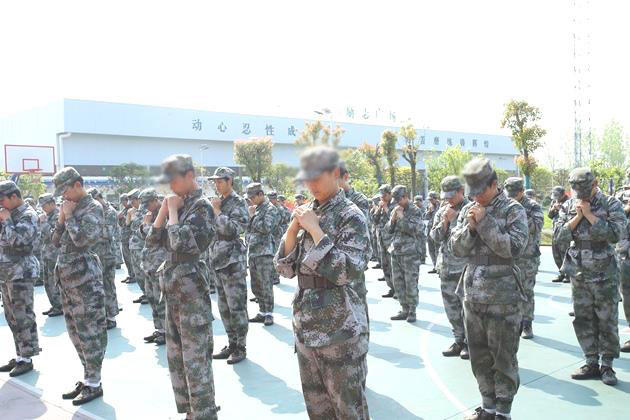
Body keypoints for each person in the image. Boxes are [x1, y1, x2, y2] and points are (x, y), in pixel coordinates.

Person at [275, 146, 370, 419]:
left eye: (317, 176)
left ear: (335, 173)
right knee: (318, 409)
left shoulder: (350, 215)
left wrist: (316, 230)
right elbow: (285, 269)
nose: (311, 183)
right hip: (306, 325)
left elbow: (346, 272)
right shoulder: (306, 212)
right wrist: (293, 230)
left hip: (339, 329)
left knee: (348, 409)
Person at [450, 158, 528, 420]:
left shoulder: (513, 209)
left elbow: (513, 248)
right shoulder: (468, 209)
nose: (475, 197)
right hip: (472, 295)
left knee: (503, 358)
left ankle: (503, 412)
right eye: (471, 192)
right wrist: (471, 229)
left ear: (494, 184)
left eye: (480, 191)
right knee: (479, 356)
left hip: (503, 297)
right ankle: (488, 407)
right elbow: (455, 248)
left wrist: (484, 223)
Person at [147, 154, 219, 420]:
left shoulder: (202, 208)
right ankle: (190, 412)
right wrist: (164, 212)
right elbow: (151, 242)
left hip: (192, 294)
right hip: (172, 292)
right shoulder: (176, 203)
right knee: (176, 359)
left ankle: (204, 414)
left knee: (196, 360)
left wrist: (173, 212)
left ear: (189, 175)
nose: (169, 186)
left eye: (173, 179)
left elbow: (182, 243)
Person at [554, 167, 624, 386]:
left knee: (607, 319)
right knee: (583, 318)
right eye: (577, 190)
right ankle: (591, 361)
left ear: (595, 184)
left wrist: (591, 216)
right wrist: (577, 217)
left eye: (585, 189)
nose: (581, 194)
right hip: (579, 271)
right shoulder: (569, 205)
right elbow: (558, 236)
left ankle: (607, 365)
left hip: (604, 272)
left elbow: (616, 234)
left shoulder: (611, 203)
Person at [51, 167, 107, 405]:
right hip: (67, 281)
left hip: (84, 281)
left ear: (77, 184)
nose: (63, 196)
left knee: (89, 332)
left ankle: (94, 382)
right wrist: (62, 219)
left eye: (65, 190)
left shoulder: (93, 208)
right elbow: (55, 241)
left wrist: (70, 216)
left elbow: (83, 241)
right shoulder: (68, 207)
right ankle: (88, 378)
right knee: (75, 333)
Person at [208, 167, 250, 365]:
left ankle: (241, 347)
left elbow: (233, 229)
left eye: (220, 181)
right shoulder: (218, 201)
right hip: (217, 261)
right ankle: (231, 343)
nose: (217, 185)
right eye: (215, 182)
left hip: (233, 262)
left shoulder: (238, 202)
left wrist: (217, 211)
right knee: (224, 307)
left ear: (229, 181)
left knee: (237, 307)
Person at [0, 181, 41, 377]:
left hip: (21, 273)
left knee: (23, 316)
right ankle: (20, 355)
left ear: (14, 197)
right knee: (12, 317)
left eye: (2, 200)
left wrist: (7, 221)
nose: (1, 204)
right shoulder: (8, 214)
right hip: (7, 273)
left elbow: (19, 242)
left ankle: (27, 357)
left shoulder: (28, 215)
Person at [430, 176, 470, 359]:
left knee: (467, 309)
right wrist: (445, 221)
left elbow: (467, 239)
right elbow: (434, 237)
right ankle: (458, 340)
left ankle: (469, 343)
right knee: (451, 308)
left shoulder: (471, 209)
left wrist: (453, 221)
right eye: (445, 196)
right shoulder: (442, 211)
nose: (448, 200)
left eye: (451, 196)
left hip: (464, 268)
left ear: (461, 191)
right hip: (446, 267)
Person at [504, 177, 544, 339]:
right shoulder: (504, 204)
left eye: (515, 194)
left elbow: (536, 226)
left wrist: (517, 214)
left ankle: (527, 323)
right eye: (510, 194)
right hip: (508, 255)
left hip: (527, 257)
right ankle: (512, 322)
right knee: (508, 290)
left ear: (522, 191)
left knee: (526, 291)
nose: (512, 197)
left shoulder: (533, 206)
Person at [386, 185, 424, 323]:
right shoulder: (396, 209)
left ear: (405, 197)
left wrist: (401, 218)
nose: (397, 203)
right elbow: (388, 230)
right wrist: (393, 219)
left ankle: (412, 311)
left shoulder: (415, 211)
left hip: (410, 253)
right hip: (396, 251)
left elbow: (415, 230)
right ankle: (404, 309)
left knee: (410, 283)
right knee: (398, 283)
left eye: (399, 200)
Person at [245, 183, 280, 326]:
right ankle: (262, 311)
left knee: (266, 284)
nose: (250, 200)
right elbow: (248, 229)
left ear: (260, 194)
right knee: (256, 285)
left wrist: (252, 216)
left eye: (252, 197)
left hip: (265, 252)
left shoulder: (271, 209)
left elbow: (266, 228)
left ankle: (269, 313)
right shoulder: (256, 209)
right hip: (253, 251)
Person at [339, 160, 371, 312]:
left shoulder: (359, 200)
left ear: (345, 177)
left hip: (352, 259)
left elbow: (357, 228)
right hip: (333, 261)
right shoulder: (326, 200)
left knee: (357, 304)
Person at [138, 188, 168, 345]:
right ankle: (159, 329)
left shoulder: (164, 213)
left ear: (155, 200)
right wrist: (145, 226)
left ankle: (167, 331)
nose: (146, 208)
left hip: (160, 263)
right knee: (152, 297)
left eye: (147, 204)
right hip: (149, 263)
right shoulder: (151, 214)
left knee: (161, 299)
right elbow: (143, 236)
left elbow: (153, 236)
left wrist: (146, 225)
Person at [88, 188, 120, 329]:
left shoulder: (109, 212)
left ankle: (111, 316)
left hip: (106, 255)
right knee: (96, 286)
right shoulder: (96, 211)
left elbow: (107, 233)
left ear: (98, 198)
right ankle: (101, 315)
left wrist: (90, 231)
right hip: (95, 255)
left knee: (108, 286)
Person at [39, 193, 63, 317]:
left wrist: (43, 223)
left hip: (54, 254)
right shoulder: (47, 216)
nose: (43, 208)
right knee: (47, 282)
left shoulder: (58, 216)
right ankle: (55, 304)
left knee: (54, 281)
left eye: (44, 205)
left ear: (52, 203)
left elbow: (52, 234)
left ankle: (60, 306)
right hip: (47, 254)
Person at [373, 184, 396, 298]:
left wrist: (386, 209)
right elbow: (374, 220)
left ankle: (398, 289)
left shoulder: (395, 205)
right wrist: (378, 210)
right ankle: (391, 287)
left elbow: (394, 221)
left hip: (391, 241)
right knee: (385, 264)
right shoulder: (380, 205)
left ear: (390, 194)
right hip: (381, 240)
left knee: (393, 266)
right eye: (381, 195)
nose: (382, 197)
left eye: (384, 195)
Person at [128, 189, 149, 304]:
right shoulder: (135, 212)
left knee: (143, 272)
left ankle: (148, 294)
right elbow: (129, 225)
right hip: (134, 246)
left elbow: (141, 227)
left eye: (133, 200)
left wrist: (133, 216)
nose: (131, 203)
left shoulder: (146, 212)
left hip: (142, 246)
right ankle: (145, 293)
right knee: (137, 273)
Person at [548, 186, 570, 283]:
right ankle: (561, 273)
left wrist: (561, 209)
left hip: (565, 232)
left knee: (565, 254)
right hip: (555, 231)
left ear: (563, 194)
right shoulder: (554, 201)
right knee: (556, 254)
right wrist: (553, 209)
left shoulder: (569, 202)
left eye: (558, 196)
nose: (556, 198)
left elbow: (571, 216)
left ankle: (568, 274)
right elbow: (549, 216)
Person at [118, 191, 137, 284]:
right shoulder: (124, 210)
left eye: (124, 202)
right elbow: (122, 224)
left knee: (131, 258)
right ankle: (130, 274)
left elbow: (131, 224)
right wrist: (120, 218)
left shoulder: (133, 209)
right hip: (124, 238)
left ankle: (134, 275)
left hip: (130, 238)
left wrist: (124, 217)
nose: (123, 204)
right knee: (126, 258)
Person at [425, 191, 440, 273]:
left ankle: (439, 267)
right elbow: (425, 217)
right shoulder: (429, 206)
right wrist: (429, 211)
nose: (430, 201)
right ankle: (435, 266)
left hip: (437, 231)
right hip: (429, 230)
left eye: (431, 199)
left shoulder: (440, 206)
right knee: (431, 250)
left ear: (435, 198)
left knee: (437, 249)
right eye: (429, 200)